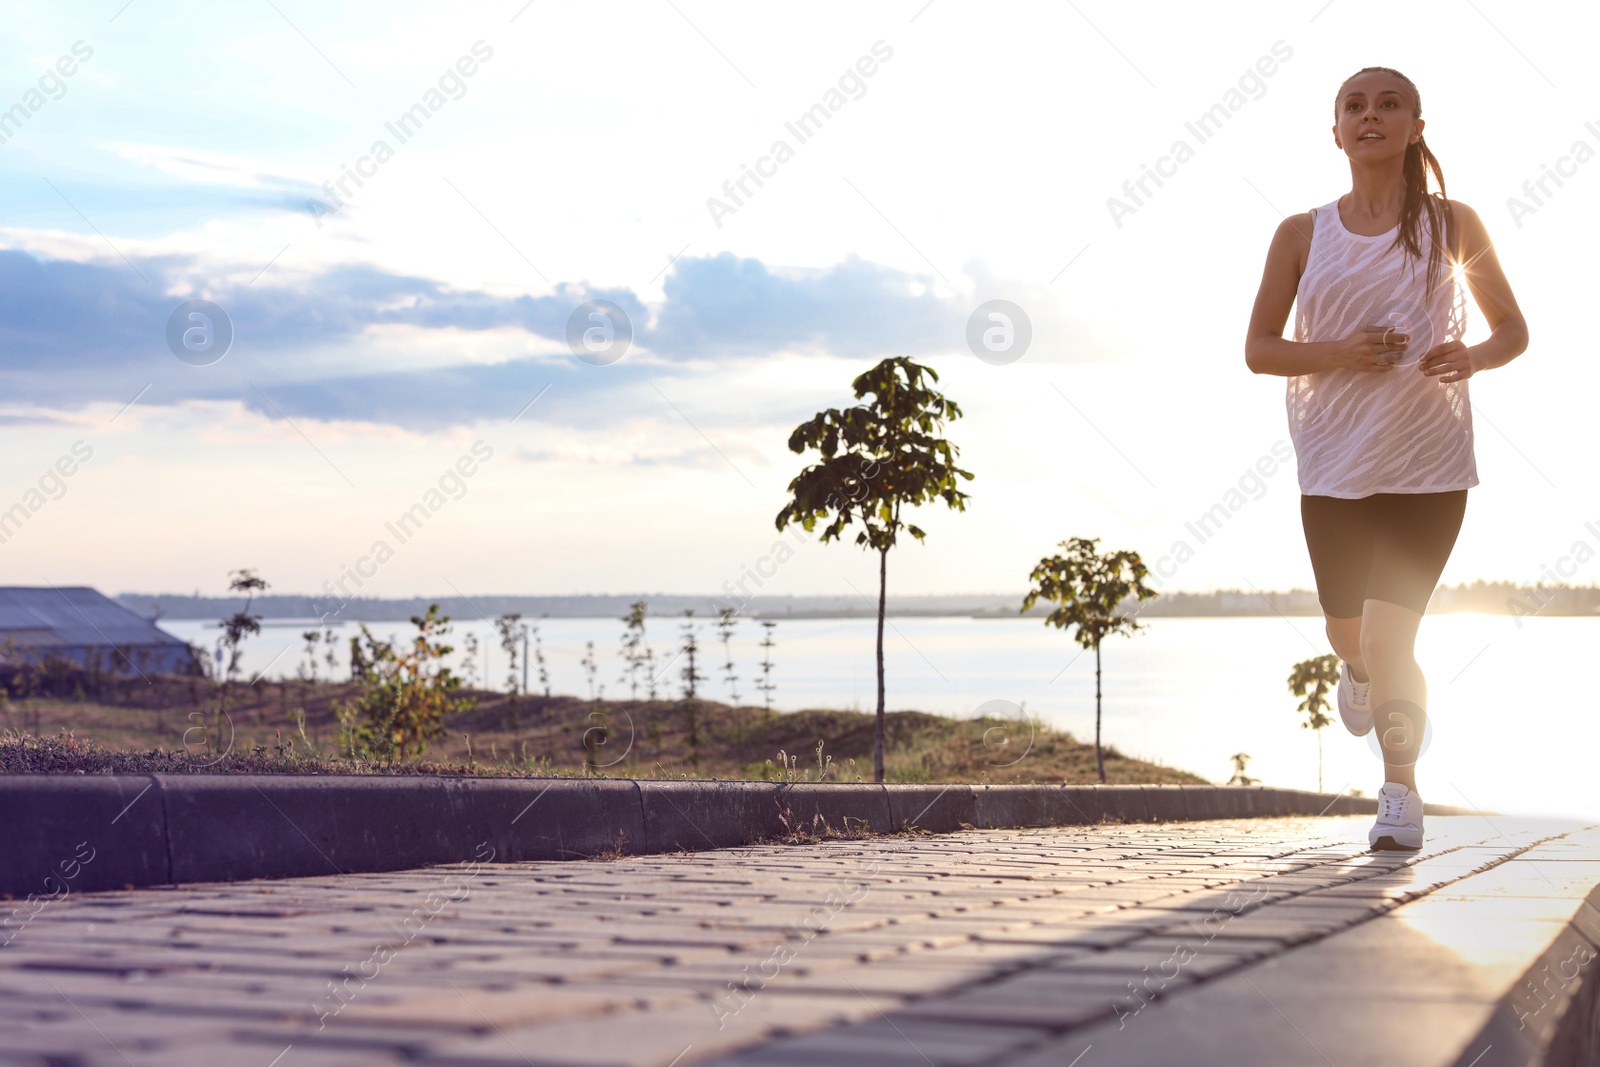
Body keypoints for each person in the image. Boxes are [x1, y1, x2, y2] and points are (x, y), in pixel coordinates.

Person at [1244, 67, 1528, 850]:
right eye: (1354, 106)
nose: (1371, 115)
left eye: (1388, 103)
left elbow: (1513, 330)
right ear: (1336, 133)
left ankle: (1400, 792)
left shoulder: (1455, 223)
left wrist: (1471, 356)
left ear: (1416, 127)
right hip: (1333, 467)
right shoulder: (1302, 234)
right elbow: (1259, 349)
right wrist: (1344, 352)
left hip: (1430, 468)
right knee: (1351, 638)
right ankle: (1360, 677)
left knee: (1389, 638)